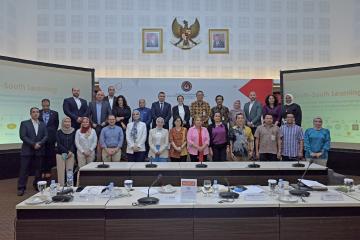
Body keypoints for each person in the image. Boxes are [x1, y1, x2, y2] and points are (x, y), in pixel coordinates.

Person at [17, 107, 48, 196]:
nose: (35, 113)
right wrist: (33, 144)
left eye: (37, 112)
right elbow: (23, 136)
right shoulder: (24, 123)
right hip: (27, 151)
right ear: (30, 114)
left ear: (39, 114)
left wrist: (40, 144)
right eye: (33, 112)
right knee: (24, 170)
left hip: (39, 150)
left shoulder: (42, 124)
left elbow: (46, 136)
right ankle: (21, 187)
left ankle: (37, 185)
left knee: (38, 170)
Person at [39, 98, 59, 179]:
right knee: (41, 155)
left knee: (50, 155)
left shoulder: (54, 113)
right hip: (40, 138)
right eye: (44, 106)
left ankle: (48, 171)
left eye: (47, 106)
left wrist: (52, 133)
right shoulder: (38, 112)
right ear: (42, 105)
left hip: (51, 138)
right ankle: (42, 171)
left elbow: (56, 125)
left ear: (49, 105)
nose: (45, 107)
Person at [55, 117, 76, 186]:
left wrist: (71, 151)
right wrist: (67, 152)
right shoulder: (58, 132)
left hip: (71, 154)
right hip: (60, 154)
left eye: (69, 122)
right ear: (63, 123)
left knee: (69, 171)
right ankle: (61, 187)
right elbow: (59, 144)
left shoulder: (74, 131)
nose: (67, 123)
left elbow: (74, 142)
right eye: (65, 121)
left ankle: (70, 187)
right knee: (60, 172)